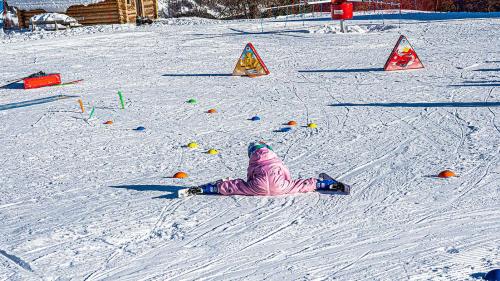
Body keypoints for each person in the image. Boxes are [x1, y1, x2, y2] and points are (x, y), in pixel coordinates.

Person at [187, 141, 350, 196]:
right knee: (302, 184)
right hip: (280, 186)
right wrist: (286, 182)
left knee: (235, 186)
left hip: (257, 187)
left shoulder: (253, 161)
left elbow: (250, 176)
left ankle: (210, 188)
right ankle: (326, 184)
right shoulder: (275, 159)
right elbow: (286, 174)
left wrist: (251, 183)